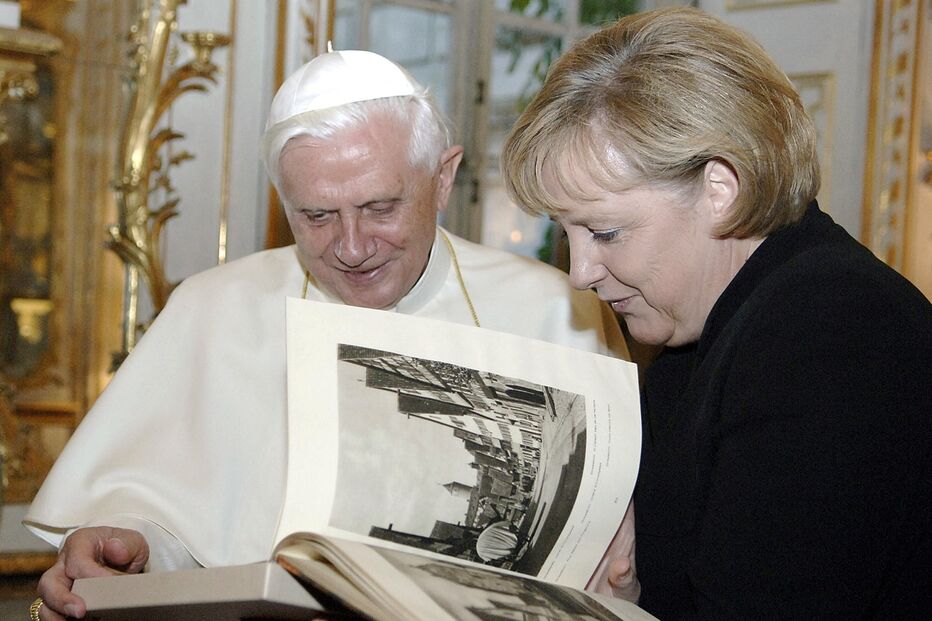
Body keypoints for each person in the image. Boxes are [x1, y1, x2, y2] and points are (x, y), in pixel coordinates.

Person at [25, 49, 629, 620]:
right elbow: (179, 528)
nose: (352, 247)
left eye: (380, 207)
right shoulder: (214, 310)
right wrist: (128, 546)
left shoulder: (554, 309)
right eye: (316, 215)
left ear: (443, 179)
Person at [501, 7, 931, 619]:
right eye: (568, 233)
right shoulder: (700, 327)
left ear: (720, 188)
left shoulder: (830, 326)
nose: (580, 272)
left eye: (605, 232)